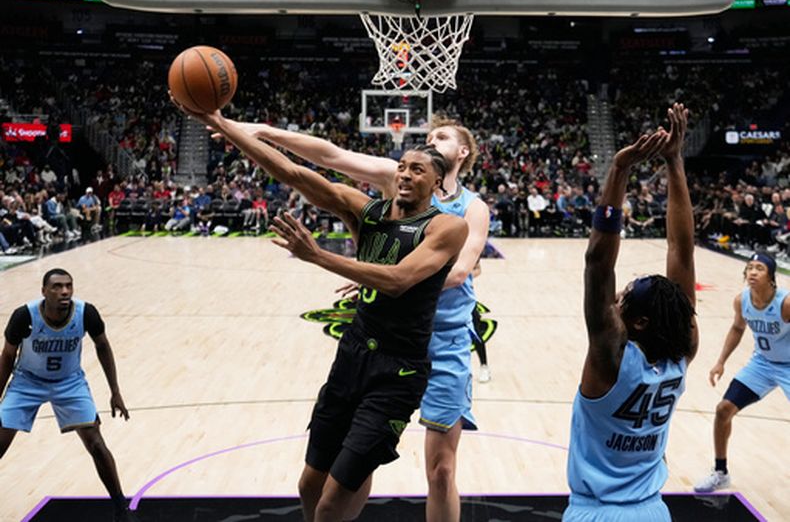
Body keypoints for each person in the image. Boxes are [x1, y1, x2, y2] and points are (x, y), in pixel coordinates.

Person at [174, 99, 468, 522]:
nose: (404, 174)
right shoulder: (368, 211)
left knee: (332, 504)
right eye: (401, 166)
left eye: (417, 170)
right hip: (351, 359)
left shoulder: (446, 227)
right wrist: (216, 120)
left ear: (438, 181)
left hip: (397, 372)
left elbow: (399, 280)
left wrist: (317, 256)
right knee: (309, 486)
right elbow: (293, 173)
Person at [564, 103, 698, 522]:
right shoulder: (681, 352)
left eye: (624, 297)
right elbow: (681, 250)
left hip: (597, 513)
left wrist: (619, 171)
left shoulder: (611, 357)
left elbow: (597, 263)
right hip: (653, 512)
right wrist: (674, 162)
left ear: (637, 321)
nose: (617, 297)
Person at [0, 269, 136, 522]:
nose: (64, 291)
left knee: (95, 442)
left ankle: (121, 509)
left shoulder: (86, 313)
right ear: (44, 291)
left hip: (69, 381)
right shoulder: (24, 316)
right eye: (57, 286)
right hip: (27, 382)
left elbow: (103, 345)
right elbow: (7, 356)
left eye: (68, 286)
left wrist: (115, 391)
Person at [694, 252, 790, 492]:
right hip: (763, 364)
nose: (753, 272)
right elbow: (737, 328)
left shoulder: (785, 303)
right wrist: (720, 361)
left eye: (759, 268)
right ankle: (720, 472)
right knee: (723, 409)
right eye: (750, 267)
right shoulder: (742, 300)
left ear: (771, 277)